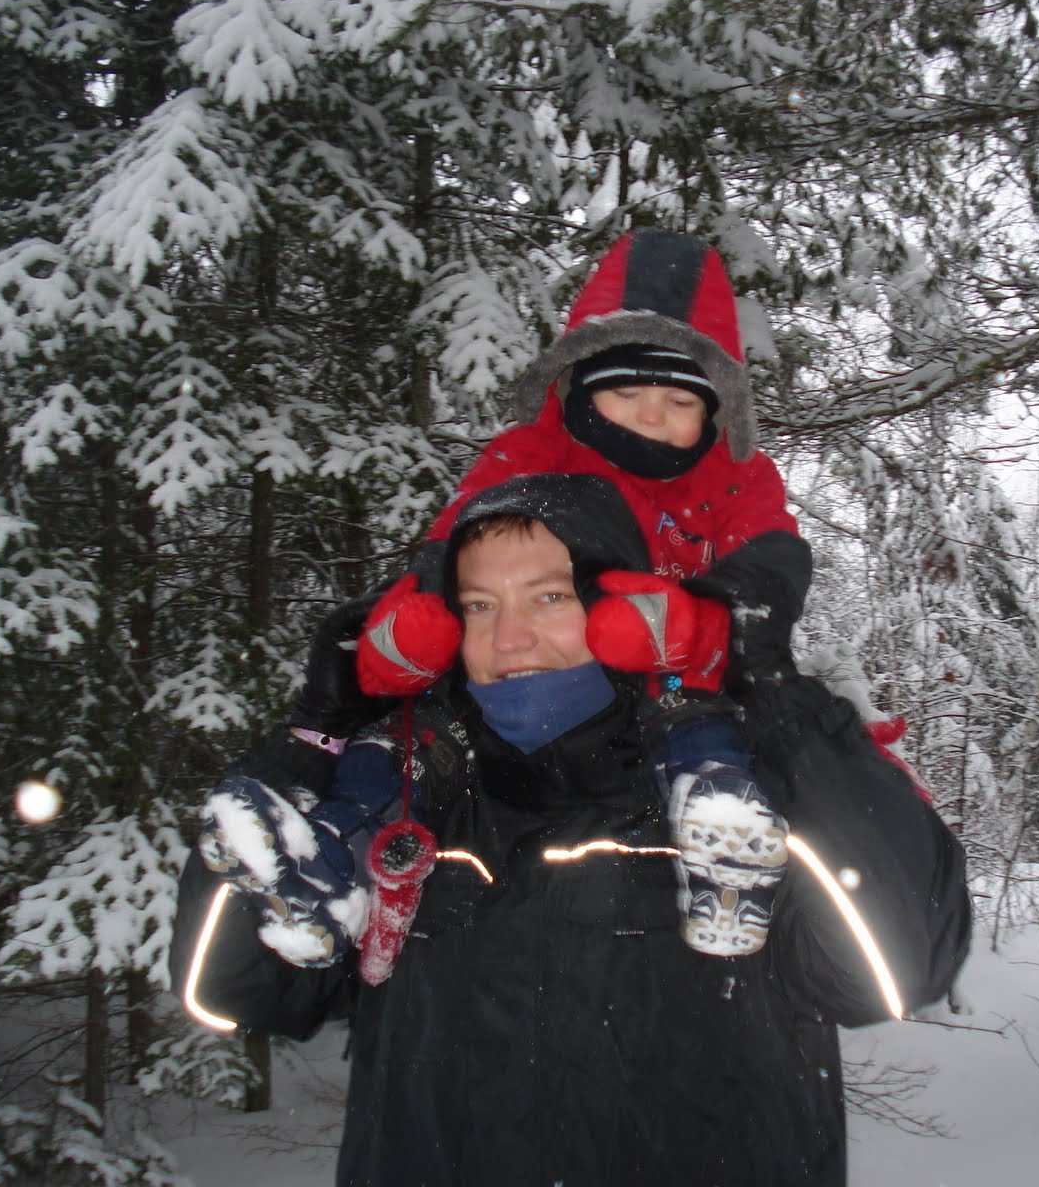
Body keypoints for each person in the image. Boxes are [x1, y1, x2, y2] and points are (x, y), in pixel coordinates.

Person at [172, 473, 971, 1187]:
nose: (508, 639)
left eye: (550, 597)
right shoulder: (408, 803)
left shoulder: (733, 791)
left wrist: (772, 693)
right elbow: (232, 987)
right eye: (479, 606)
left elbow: (896, 970)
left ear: (621, 606)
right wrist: (314, 735)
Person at [251, 228, 811, 958]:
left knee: (690, 711)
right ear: (578, 388)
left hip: (665, 678)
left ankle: (720, 829)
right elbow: (449, 554)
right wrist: (413, 626)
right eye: (626, 393)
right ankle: (336, 848)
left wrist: (695, 626)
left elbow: (767, 576)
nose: (651, 416)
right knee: (411, 736)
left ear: (715, 414)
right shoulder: (527, 457)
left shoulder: (734, 480)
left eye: (678, 400)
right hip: (521, 684)